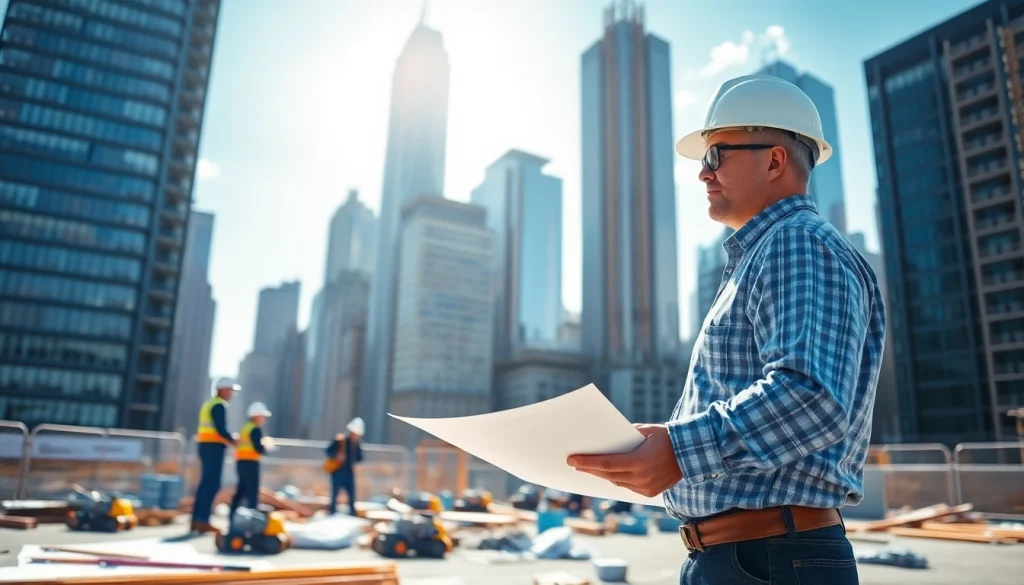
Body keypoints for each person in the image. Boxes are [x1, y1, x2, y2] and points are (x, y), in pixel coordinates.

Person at [568, 74, 885, 585]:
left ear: (775, 160)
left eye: (716, 156)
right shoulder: (764, 256)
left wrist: (676, 449)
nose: (702, 174)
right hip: (750, 555)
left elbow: (812, 396)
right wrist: (662, 445)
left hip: (770, 558)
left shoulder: (797, 244)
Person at [190, 376, 240, 533]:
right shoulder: (219, 405)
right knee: (212, 484)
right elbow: (221, 428)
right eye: (230, 390)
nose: (231, 394)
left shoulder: (209, 404)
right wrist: (233, 440)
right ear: (222, 390)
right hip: (213, 448)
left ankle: (197, 520)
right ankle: (203, 520)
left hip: (205, 446)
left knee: (205, 484)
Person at [229, 402, 273, 520]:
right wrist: (267, 447)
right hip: (251, 463)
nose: (264, 419)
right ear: (256, 416)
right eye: (263, 416)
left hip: (241, 462)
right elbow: (258, 448)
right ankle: (253, 519)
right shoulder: (255, 429)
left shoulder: (245, 427)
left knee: (241, 491)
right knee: (252, 492)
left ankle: (232, 517)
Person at [324, 417, 364, 515]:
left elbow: (360, 458)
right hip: (338, 471)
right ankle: (332, 511)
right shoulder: (340, 440)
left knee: (351, 494)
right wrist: (337, 455)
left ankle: (352, 513)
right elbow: (328, 451)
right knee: (335, 494)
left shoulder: (356, 444)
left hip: (349, 472)